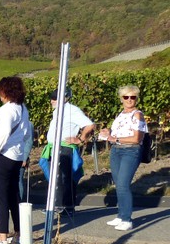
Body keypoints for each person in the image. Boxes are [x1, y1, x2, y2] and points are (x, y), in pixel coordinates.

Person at [0, 77, 32, 244]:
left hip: (3, 156)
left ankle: (2, 237)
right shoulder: (23, 109)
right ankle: (19, 234)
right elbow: (27, 133)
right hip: (16, 157)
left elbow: (4, 131)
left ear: (5, 92)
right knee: (14, 196)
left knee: (0, 197)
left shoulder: (6, 110)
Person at [99, 85, 148, 231]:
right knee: (118, 183)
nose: (129, 100)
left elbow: (136, 138)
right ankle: (121, 215)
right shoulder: (120, 114)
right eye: (126, 97)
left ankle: (127, 219)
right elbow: (116, 133)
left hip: (130, 151)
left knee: (123, 184)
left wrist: (114, 138)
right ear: (121, 99)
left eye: (132, 97)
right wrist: (108, 132)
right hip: (116, 151)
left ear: (136, 99)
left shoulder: (138, 115)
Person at [45, 88, 95, 217]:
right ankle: (58, 205)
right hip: (54, 147)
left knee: (64, 177)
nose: (52, 100)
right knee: (56, 178)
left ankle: (66, 207)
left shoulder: (72, 110)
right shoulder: (58, 111)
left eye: (55, 98)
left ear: (65, 98)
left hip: (64, 148)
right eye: (52, 98)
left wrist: (80, 139)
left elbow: (89, 125)